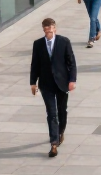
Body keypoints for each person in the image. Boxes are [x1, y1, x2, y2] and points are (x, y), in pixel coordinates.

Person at [30, 18, 77, 157]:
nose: (49, 29)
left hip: (62, 83)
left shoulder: (64, 41)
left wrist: (72, 80)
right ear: (43, 29)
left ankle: (60, 131)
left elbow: (71, 62)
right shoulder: (38, 44)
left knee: (62, 111)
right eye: (46, 27)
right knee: (51, 113)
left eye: (51, 26)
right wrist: (33, 82)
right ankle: (54, 143)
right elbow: (35, 65)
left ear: (55, 28)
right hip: (46, 84)